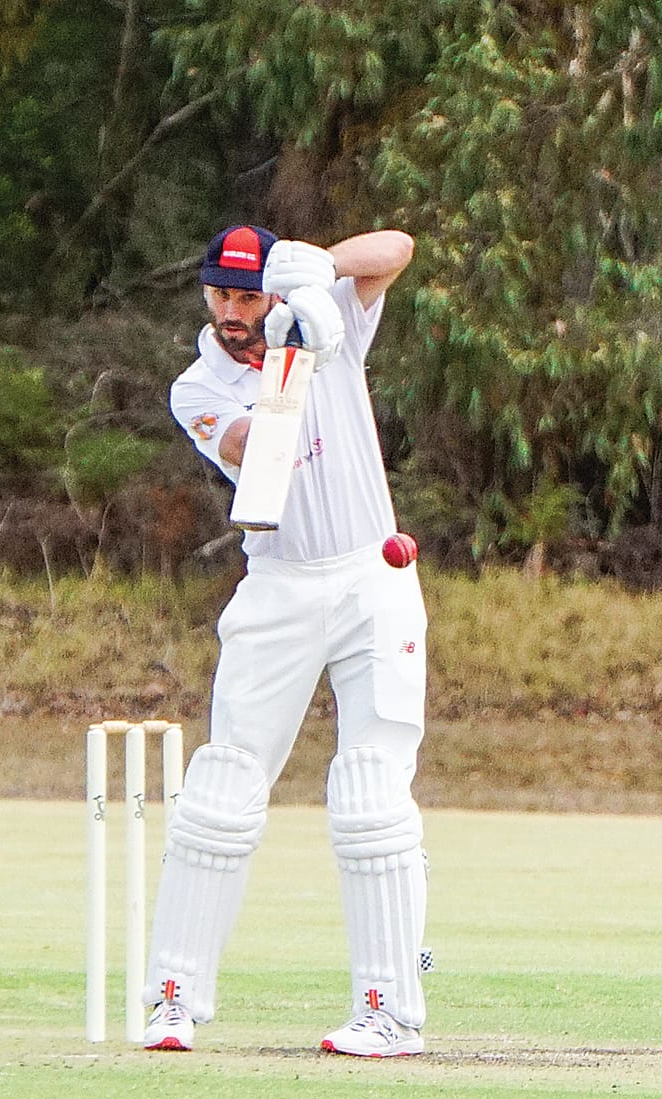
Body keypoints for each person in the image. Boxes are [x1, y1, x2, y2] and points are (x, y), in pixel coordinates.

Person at [141, 224, 428, 1057]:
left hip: (373, 576)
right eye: (220, 294)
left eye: (248, 293)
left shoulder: (323, 301)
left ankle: (390, 1011)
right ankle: (174, 999)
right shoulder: (196, 386)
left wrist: (320, 273)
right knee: (221, 789)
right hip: (279, 584)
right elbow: (252, 453)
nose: (234, 310)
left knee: (373, 793)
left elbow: (399, 247)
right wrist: (288, 357)